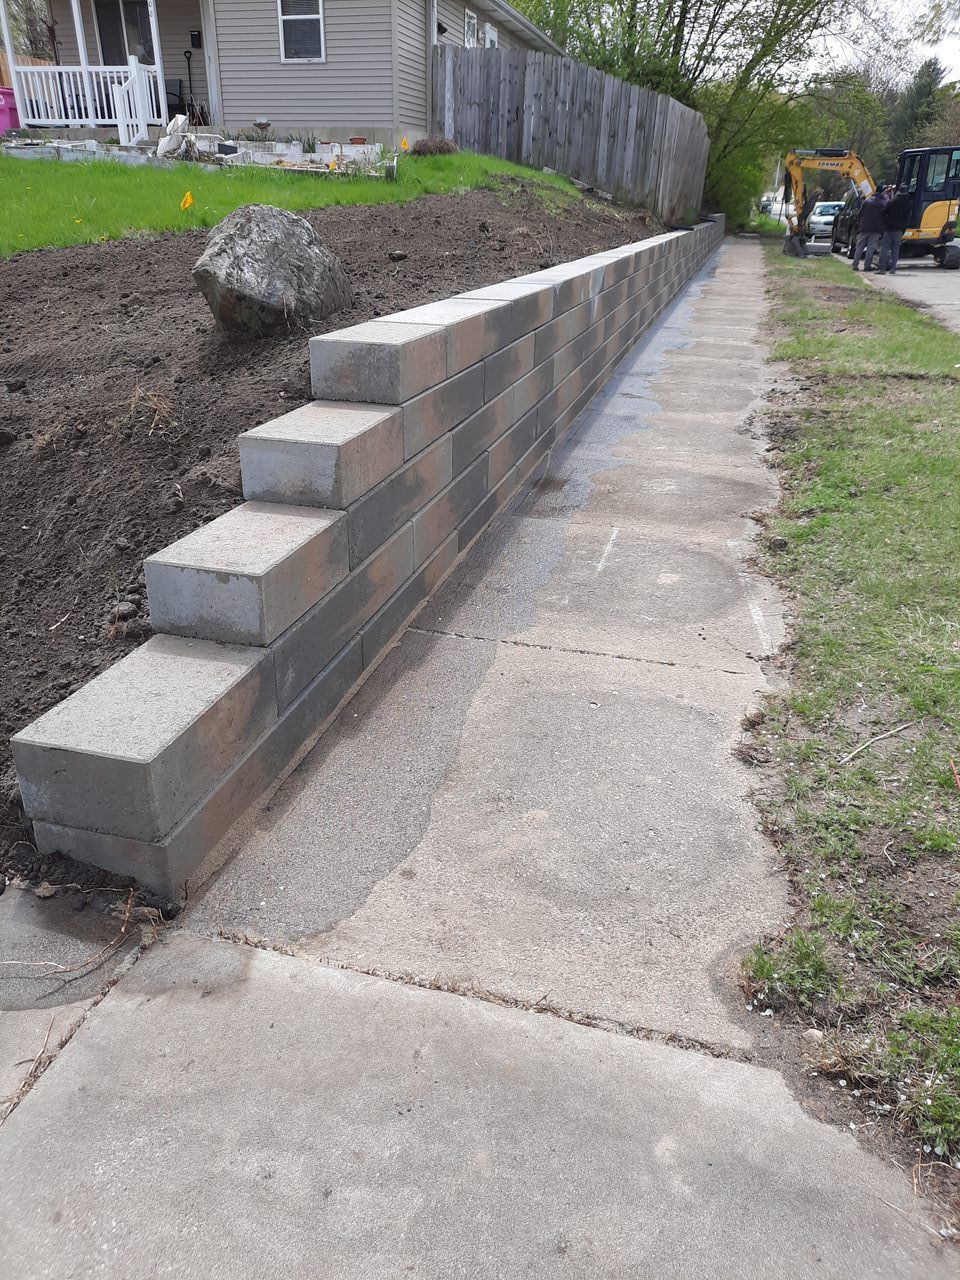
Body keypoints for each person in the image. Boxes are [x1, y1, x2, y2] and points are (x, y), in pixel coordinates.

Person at [878, 187, 912, 274]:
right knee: (895, 250)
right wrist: (904, 228)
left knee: (885, 249)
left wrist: (885, 223)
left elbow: (883, 212)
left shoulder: (892, 202)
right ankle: (893, 268)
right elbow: (908, 218)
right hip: (899, 229)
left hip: (889, 228)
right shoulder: (908, 204)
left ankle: (882, 269)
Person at [852, 189, 887, 271]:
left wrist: (859, 223)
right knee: (871, 248)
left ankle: (855, 264)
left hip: (864, 227)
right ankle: (867, 266)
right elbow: (885, 216)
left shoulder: (867, 201)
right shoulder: (883, 203)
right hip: (876, 228)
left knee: (860, 246)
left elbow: (860, 214)